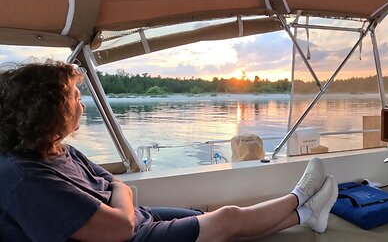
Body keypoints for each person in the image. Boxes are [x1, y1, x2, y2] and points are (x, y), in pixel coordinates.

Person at [0, 61, 338, 242]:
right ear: (47, 108)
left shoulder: (58, 150)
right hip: (130, 235)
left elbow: (118, 187)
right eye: (74, 97)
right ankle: (300, 197)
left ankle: (307, 215)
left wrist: (120, 196)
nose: (81, 105)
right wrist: (120, 196)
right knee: (227, 218)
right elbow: (118, 225)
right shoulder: (23, 177)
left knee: (215, 222)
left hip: (136, 221)